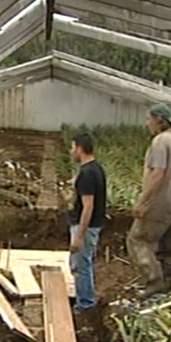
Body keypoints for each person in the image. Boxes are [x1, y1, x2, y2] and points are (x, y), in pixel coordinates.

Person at [127, 103, 171, 298]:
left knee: (137, 240)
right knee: (165, 245)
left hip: (160, 203)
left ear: (159, 120)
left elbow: (158, 174)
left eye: (149, 119)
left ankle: (153, 281)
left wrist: (143, 201)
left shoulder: (160, 142)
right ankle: (167, 283)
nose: (147, 124)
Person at [68, 133, 107, 312]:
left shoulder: (87, 174)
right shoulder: (96, 168)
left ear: (79, 149)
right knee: (81, 263)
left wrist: (78, 237)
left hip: (86, 227)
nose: (71, 152)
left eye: (72, 147)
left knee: (82, 265)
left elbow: (88, 206)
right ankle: (84, 301)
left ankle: (85, 304)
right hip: (92, 226)